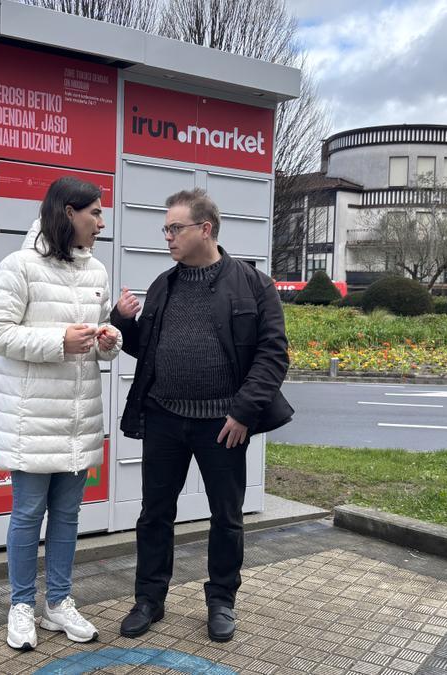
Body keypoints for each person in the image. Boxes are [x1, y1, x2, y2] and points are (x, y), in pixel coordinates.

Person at [110, 188, 293, 643]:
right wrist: (122, 322)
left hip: (223, 424)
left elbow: (273, 355)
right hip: (165, 418)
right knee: (154, 514)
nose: (167, 237)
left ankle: (221, 602)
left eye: (175, 228)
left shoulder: (253, 284)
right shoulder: (163, 285)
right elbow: (147, 351)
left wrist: (244, 412)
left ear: (204, 229)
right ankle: (149, 600)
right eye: (166, 229)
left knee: (226, 517)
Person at [0, 176, 121, 650]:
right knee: (27, 514)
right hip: (30, 419)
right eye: (95, 214)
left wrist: (109, 341)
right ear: (68, 213)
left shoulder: (96, 272)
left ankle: (58, 604)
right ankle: (22, 607)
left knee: (67, 516)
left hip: (78, 419)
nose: (102, 223)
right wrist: (57, 342)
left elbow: (97, 338)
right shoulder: (18, 265)